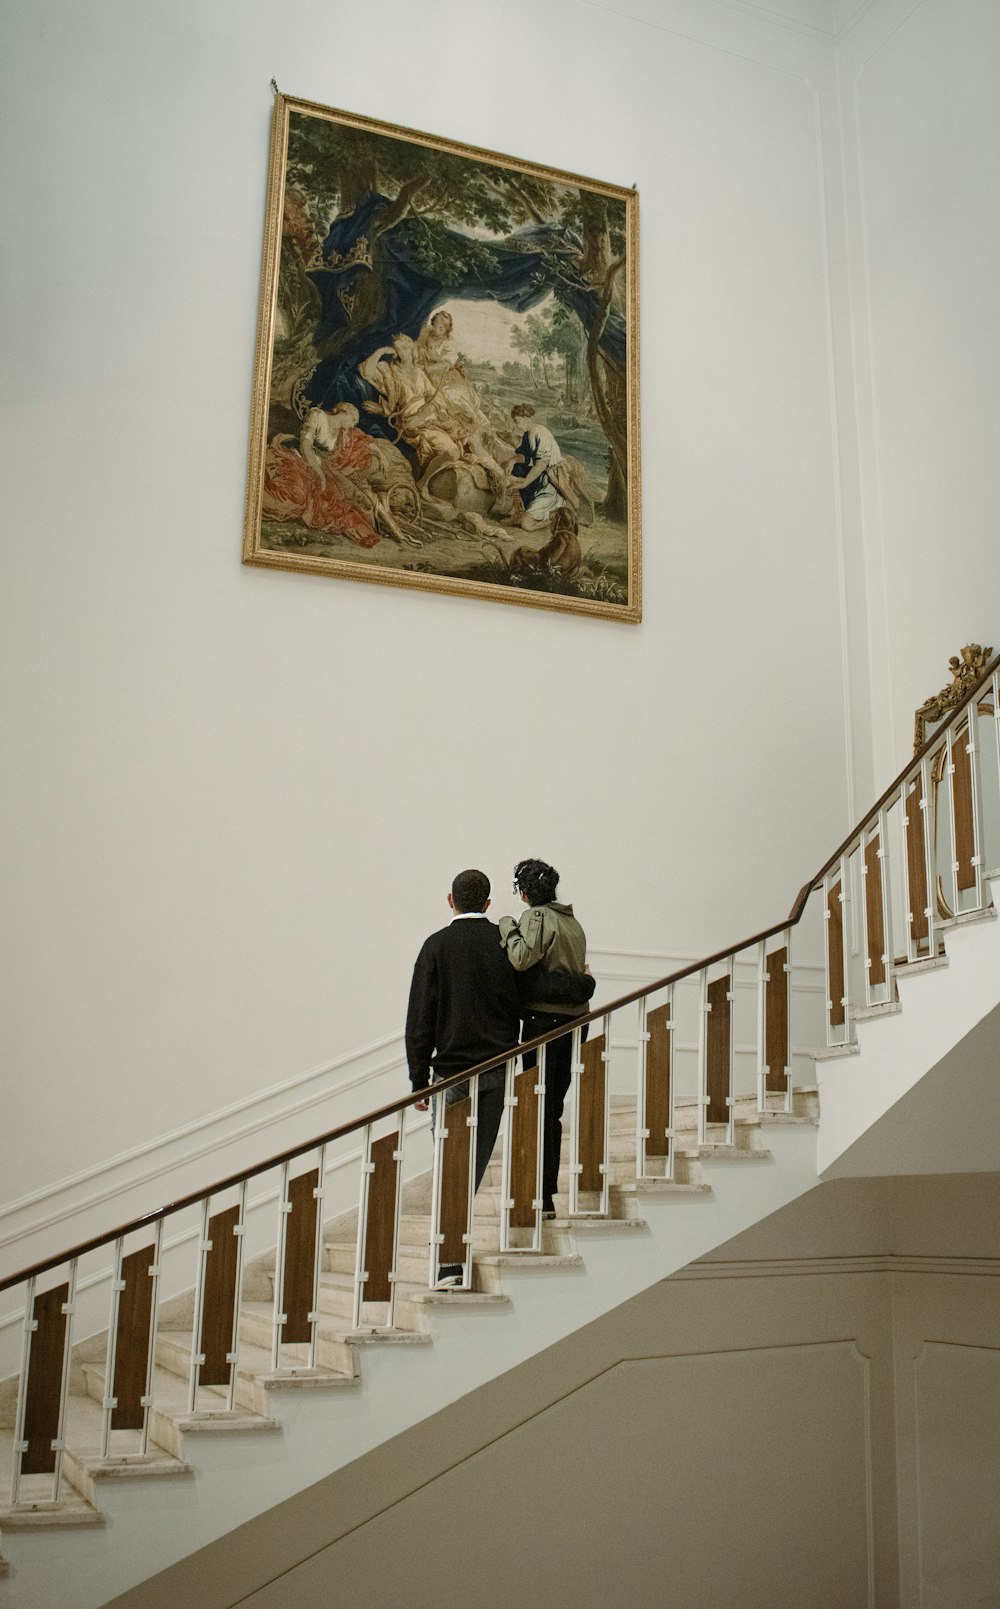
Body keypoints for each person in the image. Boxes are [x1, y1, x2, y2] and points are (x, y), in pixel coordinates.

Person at [405, 869, 521, 1286]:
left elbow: (420, 1017)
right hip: (496, 1068)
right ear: (488, 904)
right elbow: (520, 1001)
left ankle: (448, 1263)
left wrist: (418, 1081)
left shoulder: (435, 946)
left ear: (450, 900)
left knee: (451, 1165)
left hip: (452, 1073)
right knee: (473, 1166)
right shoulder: (503, 943)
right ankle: (451, 1257)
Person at [498, 860, 593, 1218]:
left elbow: (522, 959)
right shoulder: (572, 921)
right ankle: (545, 1192)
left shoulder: (536, 917)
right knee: (552, 1108)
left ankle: (539, 1195)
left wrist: (507, 925)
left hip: (544, 1024)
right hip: (574, 1023)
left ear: (523, 893)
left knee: (537, 1107)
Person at [506, 405, 578, 531]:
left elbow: (542, 464)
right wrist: (513, 460)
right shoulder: (527, 435)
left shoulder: (542, 434)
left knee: (526, 525)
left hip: (549, 484)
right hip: (539, 479)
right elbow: (525, 456)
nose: (517, 426)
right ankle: (519, 511)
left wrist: (525, 482)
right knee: (517, 468)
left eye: (517, 421)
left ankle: (552, 516)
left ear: (526, 417)